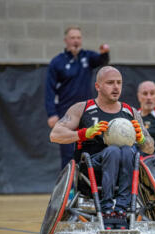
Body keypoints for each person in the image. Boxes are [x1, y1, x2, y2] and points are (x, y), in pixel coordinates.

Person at [50, 66, 154, 229]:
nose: (116, 87)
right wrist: (84, 133)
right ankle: (106, 210)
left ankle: (120, 209)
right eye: (110, 83)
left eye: (119, 83)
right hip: (90, 171)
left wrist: (140, 138)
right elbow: (55, 135)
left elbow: (150, 148)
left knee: (128, 151)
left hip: (123, 170)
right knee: (112, 151)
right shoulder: (82, 108)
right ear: (98, 86)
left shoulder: (130, 112)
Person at [45, 25, 110, 169]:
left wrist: (105, 53)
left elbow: (101, 61)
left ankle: (88, 187)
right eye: (73, 38)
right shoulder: (57, 62)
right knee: (68, 151)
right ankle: (69, 189)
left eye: (78, 37)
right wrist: (52, 114)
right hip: (66, 111)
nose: (76, 41)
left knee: (90, 148)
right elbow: (49, 90)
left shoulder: (87, 57)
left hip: (87, 112)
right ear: (66, 40)